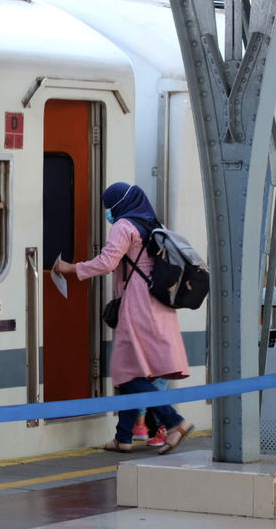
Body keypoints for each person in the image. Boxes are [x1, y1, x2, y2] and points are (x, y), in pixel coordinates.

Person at [52, 182, 193, 455]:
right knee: (133, 370)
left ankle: (174, 422)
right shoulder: (153, 222)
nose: (109, 213)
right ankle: (123, 437)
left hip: (138, 303)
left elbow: (107, 263)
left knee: (126, 370)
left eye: (109, 207)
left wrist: (70, 268)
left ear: (119, 205)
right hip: (159, 302)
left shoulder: (124, 227)